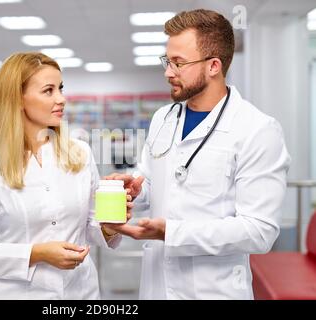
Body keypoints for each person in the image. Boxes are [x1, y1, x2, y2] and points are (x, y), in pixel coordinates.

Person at [104, 9, 291, 300]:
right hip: (156, 288)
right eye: (167, 61)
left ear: (214, 65)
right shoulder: (162, 119)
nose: (167, 72)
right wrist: (135, 191)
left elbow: (259, 231)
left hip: (214, 290)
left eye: (178, 63)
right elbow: (153, 184)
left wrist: (172, 233)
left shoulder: (257, 129)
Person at [0, 52, 121, 300]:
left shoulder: (80, 153)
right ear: (18, 99)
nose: (61, 99)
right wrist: (36, 253)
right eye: (48, 91)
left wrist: (111, 226)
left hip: (80, 293)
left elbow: (91, 229)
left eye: (61, 88)